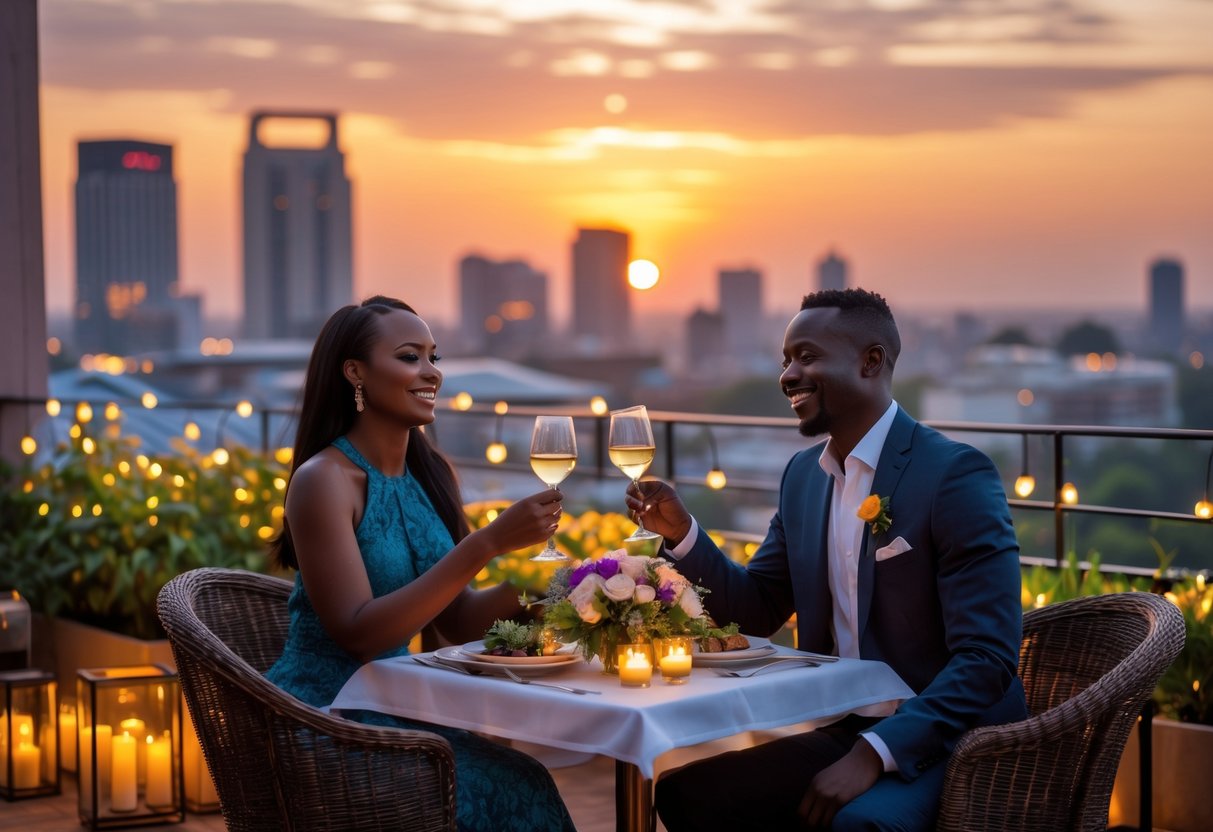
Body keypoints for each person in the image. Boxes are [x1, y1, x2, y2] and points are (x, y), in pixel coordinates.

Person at [627, 288, 1025, 832]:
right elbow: (759, 607)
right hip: (846, 728)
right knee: (688, 794)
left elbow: (987, 657)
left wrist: (874, 753)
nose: (788, 374)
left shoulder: (953, 475)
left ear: (871, 361)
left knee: (855, 826)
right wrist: (683, 533)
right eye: (786, 359)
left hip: (955, 740)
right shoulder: (802, 478)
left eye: (807, 357)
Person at [265, 296, 576, 832]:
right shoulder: (323, 481)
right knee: (507, 787)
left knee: (526, 778)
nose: (431, 372)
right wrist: (485, 544)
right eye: (410, 357)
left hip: (399, 705)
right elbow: (358, 633)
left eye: (434, 357)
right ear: (355, 372)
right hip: (325, 716)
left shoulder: (430, 475)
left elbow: (455, 621)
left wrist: (559, 595)